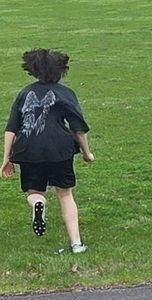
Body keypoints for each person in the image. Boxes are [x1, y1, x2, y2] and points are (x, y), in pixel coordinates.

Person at [2, 48, 95, 253]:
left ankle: (39, 202)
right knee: (65, 194)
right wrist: (87, 153)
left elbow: (11, 128)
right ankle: (76, 243)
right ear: (61, 70)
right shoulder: (66, 93)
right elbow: (78, 128)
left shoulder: (25, 93)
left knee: (34, 191)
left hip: (28, 150)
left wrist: (6, 158)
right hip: (59, 149)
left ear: (33, 70)